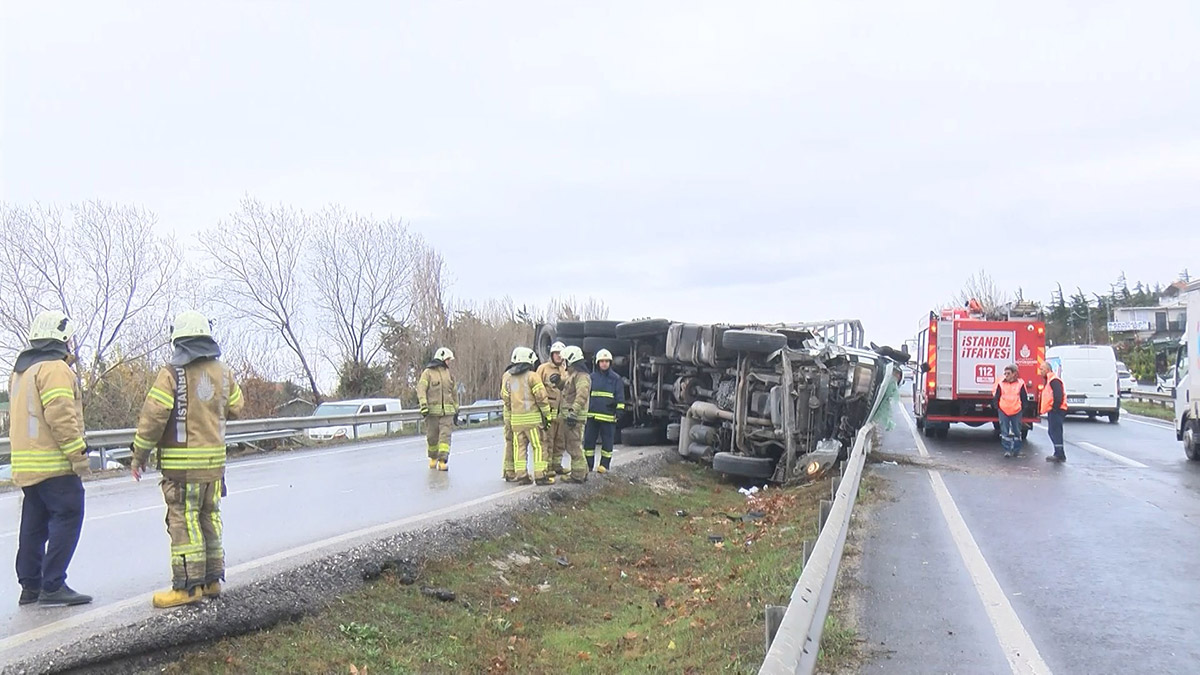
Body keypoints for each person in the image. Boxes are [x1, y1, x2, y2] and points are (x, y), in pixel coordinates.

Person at [131, 311, 245, 608]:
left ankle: (187, 587)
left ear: (178, 341)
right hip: (214, 467)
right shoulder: (224, 372)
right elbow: (236, 407)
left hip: (182, 470)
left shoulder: (172, 373)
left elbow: (153, 419)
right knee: (210, 519)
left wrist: (139, 455)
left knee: (183, 522)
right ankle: (211, 581)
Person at [10, 310, 93, 607]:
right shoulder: (55, 369)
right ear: (62, 339)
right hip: (54, 464)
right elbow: (61, 417)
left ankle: (30, 586)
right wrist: (78, 455)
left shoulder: (22, 371)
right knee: (69, 514)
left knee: (34, 524)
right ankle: (53, 584)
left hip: (27, 466)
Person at [501, 347, 553, 485]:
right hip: (532, 421)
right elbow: (541, 398)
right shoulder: (532, 376)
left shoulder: (509, 378)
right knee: (539, 446)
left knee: (519, 448)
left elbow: (505, 398)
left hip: (516, 422)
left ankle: (521, 475)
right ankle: (540, 475)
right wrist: (547, 415)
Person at [584, 348, 625, 473]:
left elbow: (620, 397)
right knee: (588, 443)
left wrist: (619, 411)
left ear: (610, 363)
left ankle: (604, 465)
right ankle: (588, 465)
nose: (604, 364)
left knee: (607, 443)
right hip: (592, 416)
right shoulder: (591, 378)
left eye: (606, 361)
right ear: (598, 363)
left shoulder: (616, 379)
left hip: (608, 417)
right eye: (602, 361)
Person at [417, 347, 457, 471]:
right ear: (442, 358)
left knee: (445, 437)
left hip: (447, 413)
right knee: (432, 437)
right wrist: (423, 405)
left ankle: (442, 460)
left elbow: (454, 392)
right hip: (432, 413)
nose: (449, 362)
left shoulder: (449, 374)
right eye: (448, 360)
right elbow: (421, 389)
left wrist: (456, 409)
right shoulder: (428, 373)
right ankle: (433, 458)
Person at [557, 346, 591, 483]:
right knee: (574, 445)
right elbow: (567, 389)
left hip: (574, 417)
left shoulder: (582, 377)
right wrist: (558, 382)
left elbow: (581, 396)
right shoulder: (574, 375)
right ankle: (583, 471)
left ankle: (577, 475)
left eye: (565, 360)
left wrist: (573, 413)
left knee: (574, 446)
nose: (564, 363)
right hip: (571, 416)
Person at [536, 341, 568, 475]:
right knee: (547, 441)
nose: (559, 356)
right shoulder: (543, 369)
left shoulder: (566, 370)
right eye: (556, 353)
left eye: (561, 354)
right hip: (548, 413)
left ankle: (557, 465)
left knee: (560, 442)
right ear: (551, 354)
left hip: (561, 414)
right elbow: (537, 389)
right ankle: (547, 468)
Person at [993, 364, 1029, 458]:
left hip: (1016, 410)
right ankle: (1007, 450)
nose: (1006, 375)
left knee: (1017, 431)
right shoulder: (1001, 383)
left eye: (1008, 373)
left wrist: (1022, 409)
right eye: (1005, 373)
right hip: (1003, 410)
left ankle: (1016, 450)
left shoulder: (1020, 384)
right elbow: (997, 396)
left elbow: (1024, 397)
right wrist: (998, 407)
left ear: (1014, 374)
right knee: (1004, 432)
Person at [1039, 361, 1068, 462]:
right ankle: (1058, 452)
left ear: (1047, 370)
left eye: (1042, 369)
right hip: (1054, 410)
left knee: (1055, 431)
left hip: (1057, 410)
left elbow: (1058, 395)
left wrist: (1055, 407)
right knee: (1053, 431)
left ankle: (1059, 454)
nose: (1040, 371)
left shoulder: (1053, 380)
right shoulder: (1049, 380)